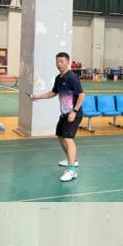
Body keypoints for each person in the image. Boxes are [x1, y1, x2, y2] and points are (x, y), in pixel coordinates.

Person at [29, 52, 86, 182]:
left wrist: (74, 111)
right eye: (57, 61)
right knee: (60, 136)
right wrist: (38, 96)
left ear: (67, 62)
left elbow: (82, 95)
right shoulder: (59, 78)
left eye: (61, 61)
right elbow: (53, 93)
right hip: (64, 114)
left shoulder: (72, 77)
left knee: (68, 138)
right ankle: (72, 160)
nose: (59, 64)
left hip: (74, 114)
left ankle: (71, 170)